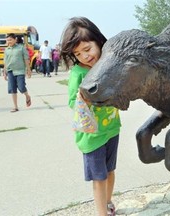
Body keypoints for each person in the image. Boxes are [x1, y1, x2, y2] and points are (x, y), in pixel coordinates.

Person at [60, 17, 121, 216]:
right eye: (77, 54)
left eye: (87, 49)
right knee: (99, 177)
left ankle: (108, 202)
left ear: (99, 42)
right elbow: (71, 101)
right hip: (91, 135)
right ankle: (100, 213)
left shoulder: (108, 64)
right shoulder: (78, 73)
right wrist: (82, 100)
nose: (84, 56)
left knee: (110, 171)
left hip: (112, 129)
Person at [3, 33, 32, 112]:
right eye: (8, 40)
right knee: (13, 89)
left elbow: (26, 59)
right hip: (10, 71)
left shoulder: (21, 48)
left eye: (10, 40)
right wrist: (4, 72)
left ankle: (27, 96)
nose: (9, 41)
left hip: (20, 71)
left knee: (21, 87)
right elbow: (5, 62)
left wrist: (28, 70)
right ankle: (15, 107)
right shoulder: (6, 50)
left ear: (15, 40)